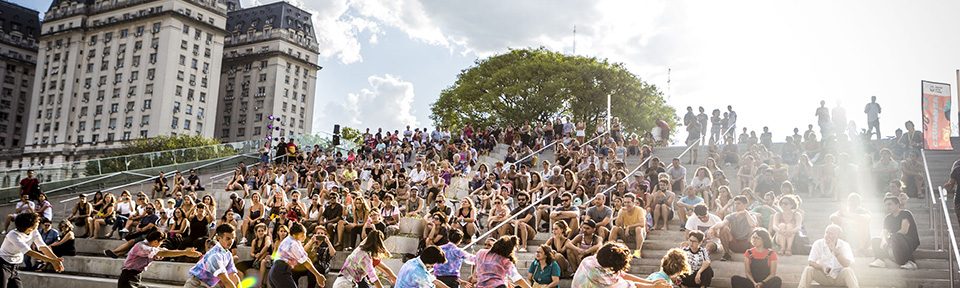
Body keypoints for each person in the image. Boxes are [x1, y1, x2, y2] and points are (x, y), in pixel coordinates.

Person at [0, 212, 65, 287]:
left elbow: (43, 247)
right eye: (36, 222)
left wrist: (56, 260)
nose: (39, 223)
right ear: (29, 227)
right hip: (3, 265)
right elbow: (29, 252)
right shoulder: (13, 235)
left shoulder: (34, 231)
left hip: (14, 267)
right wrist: (51, 260)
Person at [118, 230, 202, 288]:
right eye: (160, 243)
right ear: (155, 242)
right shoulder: (141, 247)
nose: (160, 245)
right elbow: (162, 253)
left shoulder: (151, 247)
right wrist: (185, 252)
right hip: (127, 278)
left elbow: (167, 252)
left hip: (136, 277)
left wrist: (187, 252)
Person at [571, 242, 670, 288]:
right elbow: (629, 285)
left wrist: (651, 283)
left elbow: (620, 275)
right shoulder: (599, 275)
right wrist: (652, 287)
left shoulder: (591, 260)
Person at [268, 222, 326, 288]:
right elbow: (305, 262)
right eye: (304, 234)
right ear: (297, 234)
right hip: (281, 271)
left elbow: (306, 258)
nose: (305, 236)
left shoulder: (293, 240)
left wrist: (318, 275)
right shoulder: (293, 244)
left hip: (276, 271)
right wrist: (318, 275)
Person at [869, 196, 920, 270]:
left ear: (897, 204)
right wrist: (884, 240)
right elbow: (884, 232)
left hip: (908, 240)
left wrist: (889, 239)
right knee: (875, 240)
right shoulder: (888, 218)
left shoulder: (905, 213)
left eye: (890, 204)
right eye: (886, 205)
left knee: (897, 236)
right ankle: (880, 260)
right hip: (894, 240)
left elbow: (904, 230)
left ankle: (911, 262)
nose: (887, 207)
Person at [183, 224, 240, 288]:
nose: (231, 241)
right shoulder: (215, 256)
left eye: (233, 238)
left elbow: (233, 275)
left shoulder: (228, 254)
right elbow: (225, 281)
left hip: (206, 285)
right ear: (219, 238)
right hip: (196, 285)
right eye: (228, 238)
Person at [717, 196, 758, 261]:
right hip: (734, 243)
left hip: (747, 244)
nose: (736, 205)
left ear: (745, 205)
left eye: (738, 203)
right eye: (735, 204)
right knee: (724, 228)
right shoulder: (731, 216)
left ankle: (752, 254)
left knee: (754, 230)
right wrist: (712, 228)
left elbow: (753, 224)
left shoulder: (751, 215)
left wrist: (746, 213)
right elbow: (722, 223)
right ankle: (726, 254)